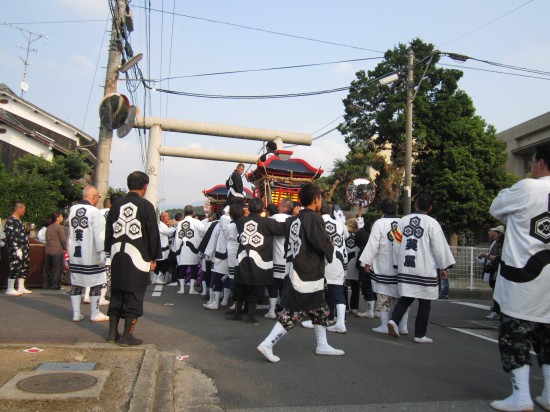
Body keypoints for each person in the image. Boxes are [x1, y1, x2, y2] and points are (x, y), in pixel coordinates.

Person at [488, 143, 550, 412]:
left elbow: (497, 208)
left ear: (540, 163)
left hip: (524, 276)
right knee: (548, 338)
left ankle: (522, 396)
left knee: (516, 336)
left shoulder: (527, 187)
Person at [257, 182, 344, 362]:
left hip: (300, 268)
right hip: (308, 271)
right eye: (320, 197)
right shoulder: (313, 218)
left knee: (320, 309)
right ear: (316, 199)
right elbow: (321, 242)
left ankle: (322, 344)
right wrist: (331, 247)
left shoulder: (296, 218)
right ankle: (267, 344)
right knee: (293, 313)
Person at [387, 192, 455, 343]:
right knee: (425, 301)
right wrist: (444, 266)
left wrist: (398, 262)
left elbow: (396, 243)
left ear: (415, 205)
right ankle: (419, 334)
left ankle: (394, 320)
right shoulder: (433, 223)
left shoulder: (403, 221)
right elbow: (439, 247)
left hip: (406, 267)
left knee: (407, 296)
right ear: (430, 207)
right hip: (425, 268)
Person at [105, 171, 161, 346]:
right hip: (138, 256)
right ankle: (127, 336)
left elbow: (109, 232)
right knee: (134, 294)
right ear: (145, 186)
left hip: (116, 255)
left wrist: (109, 251)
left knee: (117, 293)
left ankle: (112, 334)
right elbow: (153, 234)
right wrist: (154, 258)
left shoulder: (115, 205)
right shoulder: (146, 206)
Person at [234, 198, 286, 324]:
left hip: (242, 260)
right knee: (255, 290)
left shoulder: (240, 222)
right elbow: (283, 229)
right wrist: (294, 217)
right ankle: (250, 316)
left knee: (240, 287)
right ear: (263, 209)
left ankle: (237, 314)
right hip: (260, 262)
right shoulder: (268, 222)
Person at [360, 198, 404, 334]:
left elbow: (373, 244)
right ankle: (403, 326)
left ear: (381, 210)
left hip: (383, 264)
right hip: (401, 265)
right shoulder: (403, 222)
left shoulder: (380, 223)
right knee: (400, 296)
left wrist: (367, 261)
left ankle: (385, 325)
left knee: (383, 295)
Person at [67, 186, 109, 322]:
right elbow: (99, 235)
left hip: (76, 253)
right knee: (96, 283)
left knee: (76, 283)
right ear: (95, 197)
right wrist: (103, 252)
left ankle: (76, 313)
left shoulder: (72, 210)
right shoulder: (94, 212)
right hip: (91, 253)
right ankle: (95, 312)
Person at [265, 198, 294, 319]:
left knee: (273, 285)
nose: (278, 207)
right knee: (284, 287)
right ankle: (284, 310)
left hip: (275, 257)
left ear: (286, 207)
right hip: (288, 258)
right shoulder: (295, 220)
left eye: (281, 205)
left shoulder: (273, 218)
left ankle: (271, 310)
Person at [173, 205, 206, 294]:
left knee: (182, 267)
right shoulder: (196, 222)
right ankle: (191, 289)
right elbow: (204, 231)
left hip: (181, 247)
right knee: (194, 267)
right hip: (193, 247)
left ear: (184, 212)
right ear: (193, 212)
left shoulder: (180, 223)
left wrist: (177, 249)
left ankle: (181, 289)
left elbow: (176, 237)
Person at [4, 202, 32, 296]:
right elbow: (11, 236)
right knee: (15, 266)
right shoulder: (10, 221)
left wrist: (27, 231)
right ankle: (10, 288)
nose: (24, 211)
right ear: (19, 209)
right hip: (16, 248)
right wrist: (16, 248)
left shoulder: (19, 221)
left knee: (24, 266)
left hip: (24, 247)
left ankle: (21, 287)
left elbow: (21, 234)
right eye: (24, 209)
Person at [480, 225, 505, 320]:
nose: (489, 232)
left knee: (498, 290)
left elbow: (499, 257)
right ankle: (497, 310)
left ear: (498, 233)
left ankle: (498, 311)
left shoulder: (502, 243)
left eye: (492, 231)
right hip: (494, 269)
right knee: (495, 288)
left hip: (499, 269)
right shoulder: (495, 242)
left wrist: (488, 256)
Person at [44, 211, 67, 290]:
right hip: (57, 249)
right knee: (57, 268)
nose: (62, 218)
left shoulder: (49, 227)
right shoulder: (60, 227)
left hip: (47, 249)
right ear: (57, 218)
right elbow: (63, 240)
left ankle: (46, 285)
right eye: (61, 216)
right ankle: (55, 285)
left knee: (48, 269)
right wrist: (66, 249)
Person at [153, 212, 176, 285]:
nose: (168, 218)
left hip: (163, 247)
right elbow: (170, 232)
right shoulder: (160, 226)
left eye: (168, 216)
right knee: (166, 263)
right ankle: (159, 277)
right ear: (161, 218)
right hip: (161, 248)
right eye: (165, 216)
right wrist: (173, 226)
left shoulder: (163, 226)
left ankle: (154, 278)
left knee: (159, 264)